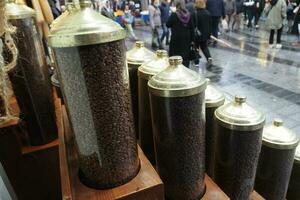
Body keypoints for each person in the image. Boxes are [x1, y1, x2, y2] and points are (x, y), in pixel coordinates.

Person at [167, 0, 194, 67]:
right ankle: (185, 69)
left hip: (176, 38)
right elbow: (192, 28)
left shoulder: (174, 14)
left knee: (176, 55)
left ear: (177, 5)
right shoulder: (189, 15)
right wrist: (192, 40)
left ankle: (176, 69)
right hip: (187, 38)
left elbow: (168, 24)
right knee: (185, 56)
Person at [193, 0, 213, 65]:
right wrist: (209, 34)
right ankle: (209, 57)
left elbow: (192, 25)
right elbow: (210, 24)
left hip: (197, 34)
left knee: (196, 47)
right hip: (205, 34)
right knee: (204, 47)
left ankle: (196, 62)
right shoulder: (208, 13)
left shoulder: (195, 13)